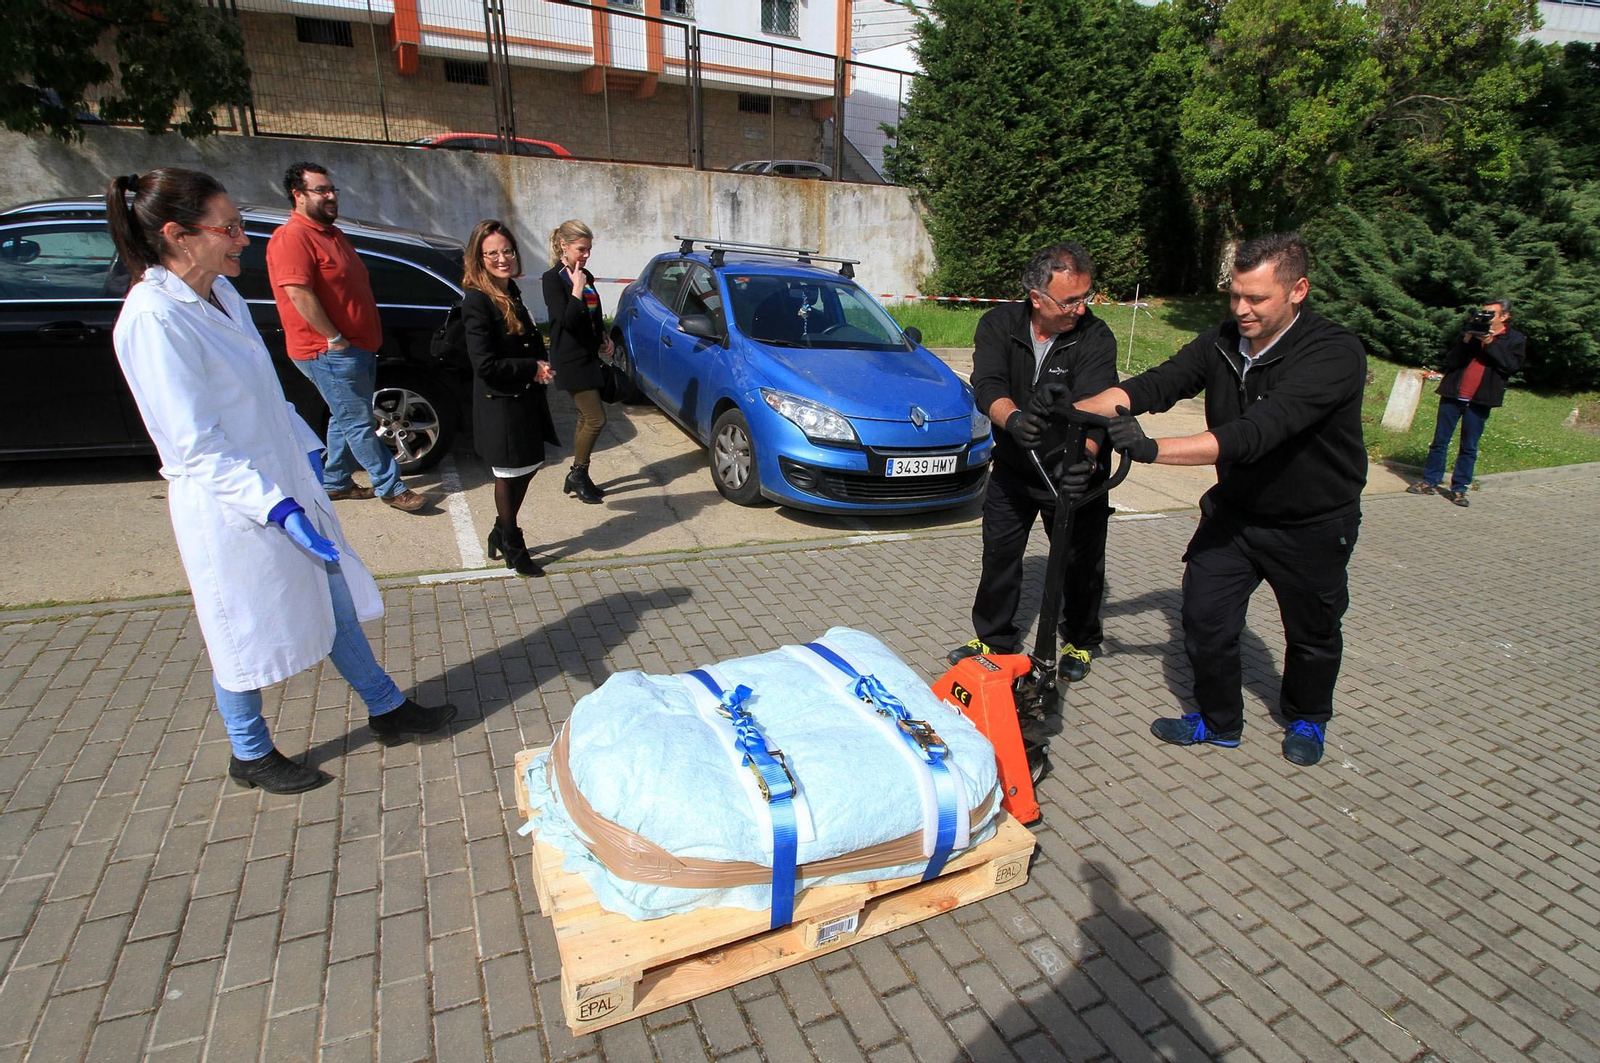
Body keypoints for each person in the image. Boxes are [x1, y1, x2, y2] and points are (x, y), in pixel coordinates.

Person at [107, 168, 455, 794]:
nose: (245, 239)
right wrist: (278, 507)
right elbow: (196, 449)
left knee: (332, 598)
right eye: (230, 228)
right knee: (238, 629)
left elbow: (267, 397)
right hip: (235, 506)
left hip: (283, 483)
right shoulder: (154, 320)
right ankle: (249, 751)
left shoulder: (221, 295)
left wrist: (311, 459)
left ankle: (386, 708)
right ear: (178, 236)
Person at [1077, 232, 1366, 767]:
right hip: (1235, 514)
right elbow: (1158, 384)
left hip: (1312, 524)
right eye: (1235, 295)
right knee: (1204, 618)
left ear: (1298, 290)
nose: (1242, 309)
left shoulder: (1333, 353)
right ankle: (1218, 721)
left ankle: (1307, 715)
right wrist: (1074, 408)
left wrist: (1149, 450)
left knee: (1313, 632)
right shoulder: (1223, 341)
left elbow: (1256, 433)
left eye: (1256, 298)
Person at [950, 243, 1119, 682]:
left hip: (1072, 474)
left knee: (1082, 563)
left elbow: (1098, 407)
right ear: (1036, 296)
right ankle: (994, 639)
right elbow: (987, 383)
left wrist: (1084, 459)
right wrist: (1014, 419)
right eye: (1070, 300)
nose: (1080, 309)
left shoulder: (1095, 338)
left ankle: (1081, 640)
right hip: (1014, 468)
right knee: (1000, 554)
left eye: (1086, 297)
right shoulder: (998, 324)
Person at [266, 162, 427, 513]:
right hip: (328, 351)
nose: (330, 196)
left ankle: (335, 481)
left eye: (331, 189)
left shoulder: (330, 233)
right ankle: (392, 487)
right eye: (320, 190)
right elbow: (298, 293)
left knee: (344, 417)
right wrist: (334, 337)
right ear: (298, 195)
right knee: (357, 422)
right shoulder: (292, 237)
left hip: (355, 347)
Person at [461, 220, 560, 577]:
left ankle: (499, 531)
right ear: (479, 257)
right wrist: (530, 367)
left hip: (524, 399)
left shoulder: (511, 290)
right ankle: (513, 544)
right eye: (493, 253)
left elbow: (525, 338)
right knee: (510, 475)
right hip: (500, 403)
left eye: (507, 250)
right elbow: (485, 364)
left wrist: (541, 364)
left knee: (529, 467)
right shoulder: (476, 300)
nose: (502, 258)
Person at [1407, 299, 1526, 507]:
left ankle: (1460, 488)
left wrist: (1490, 343)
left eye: (1491, 314)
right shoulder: (1470, 330)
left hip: (1480, 399)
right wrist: (1467, 339)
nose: (1484, 317)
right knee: (1439, 441)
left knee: (1469, 446)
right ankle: (1430, 481)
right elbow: (1451, 360)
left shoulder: (1514, 338)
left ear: (1504, 317)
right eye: (1483, 313)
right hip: (1453, 394)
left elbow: (1510, 366)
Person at [542, 219, 613, 505]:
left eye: (589, 249)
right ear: (563, 246)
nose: (585, 255)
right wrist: (575, 288)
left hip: (588, 356)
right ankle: (578, 474)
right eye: (581, 249)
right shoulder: (552, 278)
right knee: (596, 418)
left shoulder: (586, 275)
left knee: (586, 417)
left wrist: (604, 336)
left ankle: (578, 474)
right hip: (569, 359)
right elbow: (567, 321)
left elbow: (594, 313)